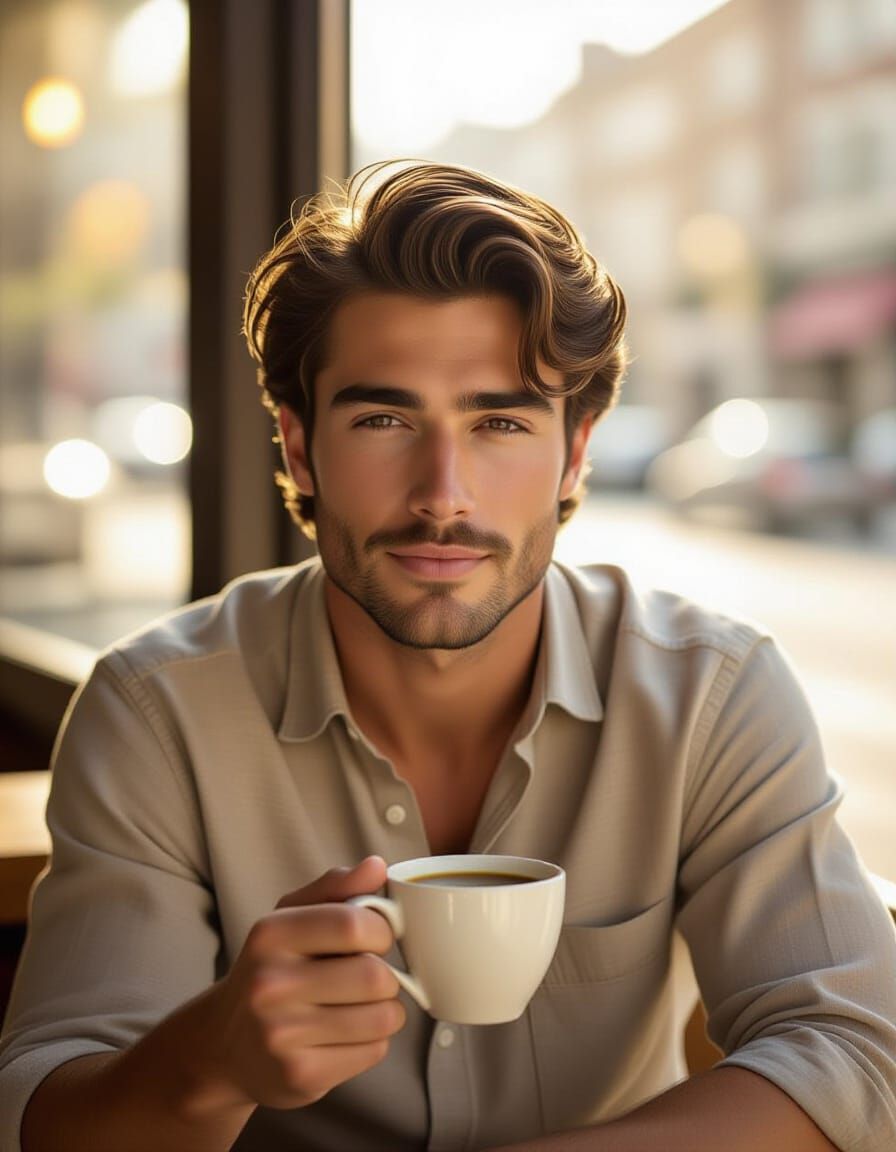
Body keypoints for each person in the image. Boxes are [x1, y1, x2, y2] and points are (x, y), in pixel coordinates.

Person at [1, 161, 894, 1152]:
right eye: (383, 420)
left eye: (498, 422)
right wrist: (209, 1061)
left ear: (575, 454)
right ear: (298, 449)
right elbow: (42, 1117)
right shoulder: (154, 711)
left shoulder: (708, 695)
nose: (442, 494)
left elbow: (856, 1052)